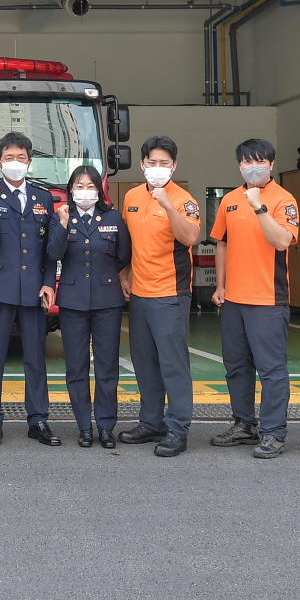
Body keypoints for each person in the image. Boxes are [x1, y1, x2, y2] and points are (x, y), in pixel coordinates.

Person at [209, 139, 300, 459]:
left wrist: (259, 206)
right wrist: (220, 286)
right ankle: (244, 424)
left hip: (268, 300)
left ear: (271, 164)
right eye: (247, 162)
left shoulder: (283, 199)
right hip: (234, 299)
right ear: (239, 166)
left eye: (260, 161)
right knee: (236, 366)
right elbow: (221, 243)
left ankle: (273, 432)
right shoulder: (229, 200)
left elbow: (282, 241)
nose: (254, 167)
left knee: (271, 370)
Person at [0, 131, 59, 447]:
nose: (15, 163)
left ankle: (38, 420)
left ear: (30, 162)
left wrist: (49, 282)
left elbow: (49, 248)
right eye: (9, 158)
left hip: (34, 289)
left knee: (35, 358)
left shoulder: (43, 198)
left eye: (21, 158)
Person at [118, 135, 201, 458]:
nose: (157, 168)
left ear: (174, 166)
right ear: (142, 164)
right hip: (140, 293)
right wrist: (123, 274)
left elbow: (190, 236)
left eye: (164, 163)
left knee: (173, 364)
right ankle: (151, 422)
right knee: (145, 363)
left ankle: (178, 428)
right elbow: (130, 242)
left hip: (170, 295)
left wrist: (166, 203)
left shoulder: (183, 200)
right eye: (151, 162)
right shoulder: (132, 197)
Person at [48, 166, 130, 449]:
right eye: (79, 186)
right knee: (76, 367)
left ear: (99, 190)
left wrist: (104, 277)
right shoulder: (61, 217)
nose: (85, 191)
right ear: (71, 190)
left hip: (107, 300)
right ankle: (84, 426)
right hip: (73, 301)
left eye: (90, 186)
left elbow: (123, 255)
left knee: (107, 367)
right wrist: (61, 225)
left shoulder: (113, 218)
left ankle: (105, 426)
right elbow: (53, 253)